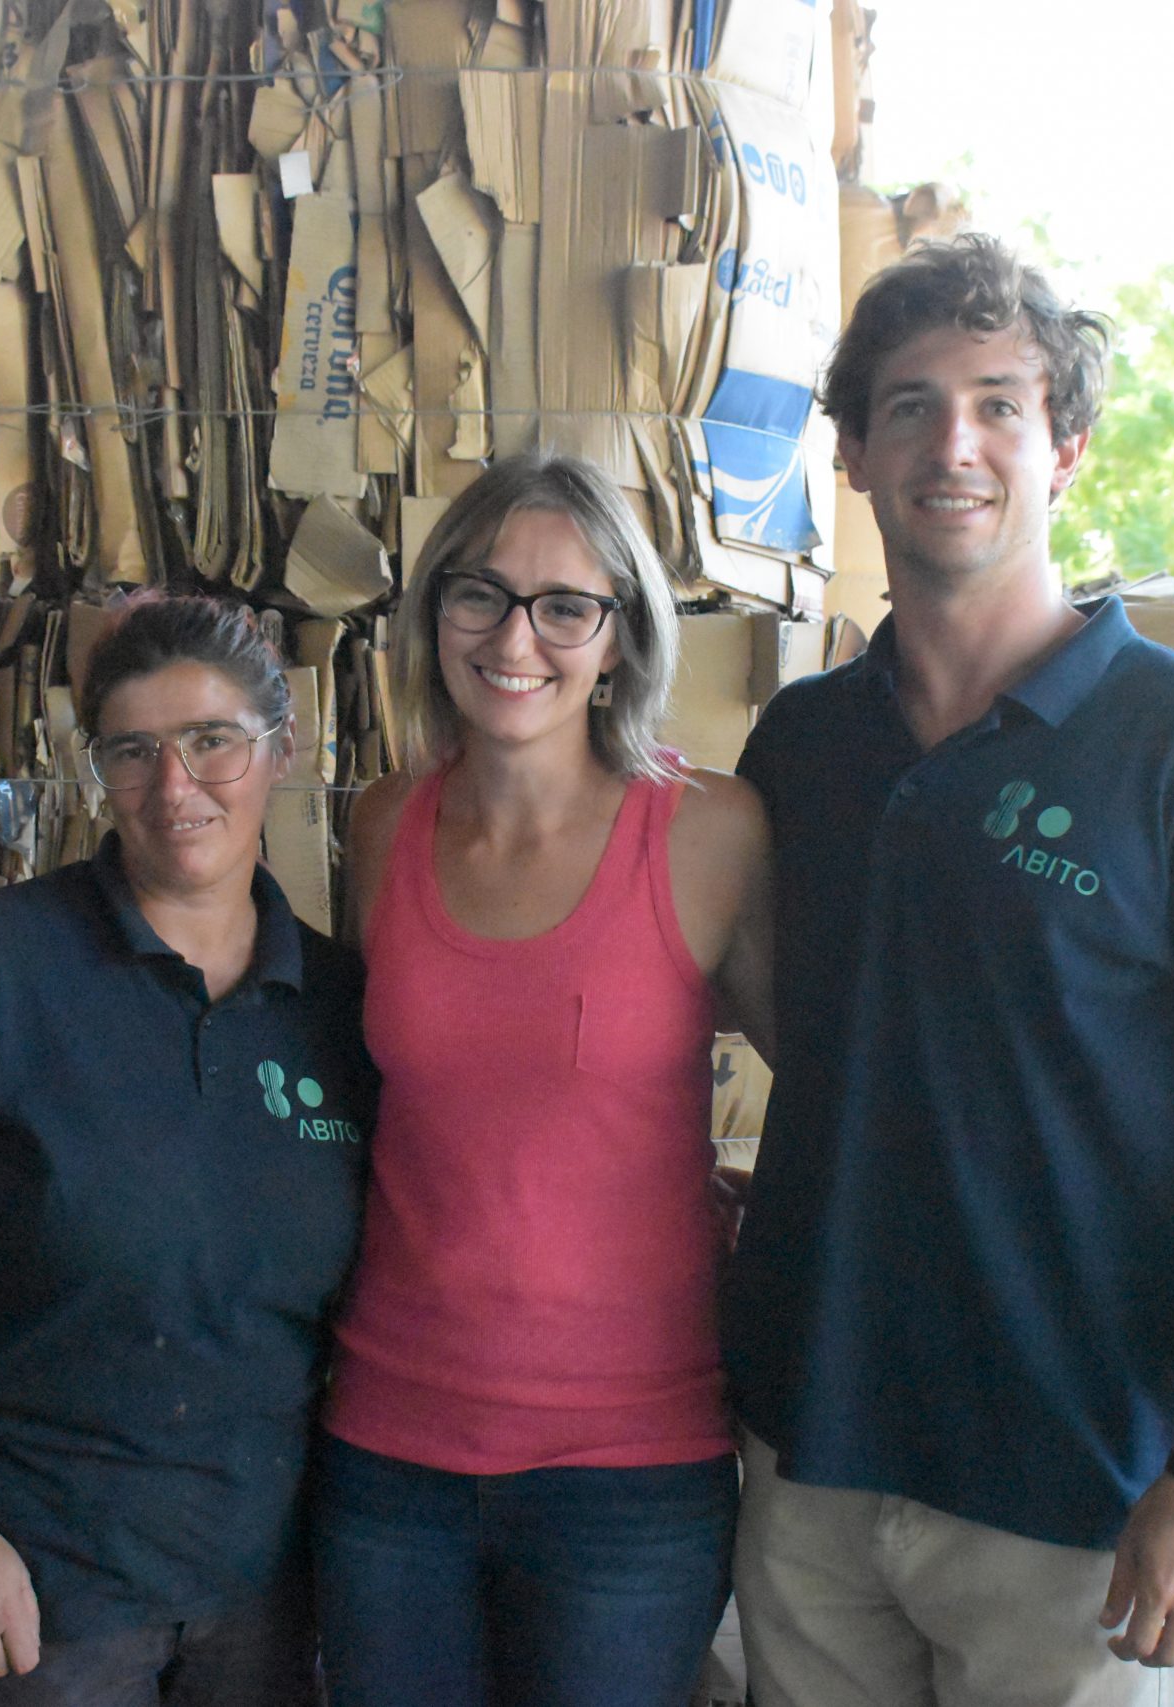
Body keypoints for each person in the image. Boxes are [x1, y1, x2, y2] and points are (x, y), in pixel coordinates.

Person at [722, 233, 1174, 1706]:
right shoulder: (802, 748)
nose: (957, 443)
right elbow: (796, 1024)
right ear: (853, 451)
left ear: (1067, 445)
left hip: (1079, 1486)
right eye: (913, 404)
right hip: (812, 1450)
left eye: (1001, 402)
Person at [0, 596, 374, 1705]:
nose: (175, 790)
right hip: (38, 1590)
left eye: (213, 742)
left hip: (262, 1589)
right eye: (134, 752)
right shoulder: (0, 965)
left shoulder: (337, 1004)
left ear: (281, 749)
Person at [312, 452, 771, 1707]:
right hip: (388, 1449)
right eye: (481, 594)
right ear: (434, 616)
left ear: (621, 638)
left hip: (630, 1465)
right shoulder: (378, 825)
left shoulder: (711, 834)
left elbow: (840, 1091)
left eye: (566, 605)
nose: (518, 637)